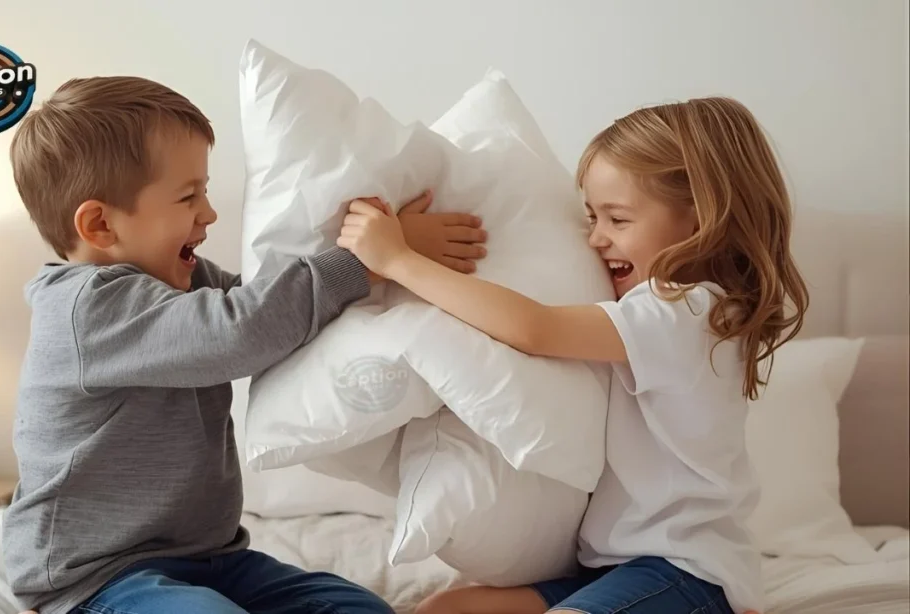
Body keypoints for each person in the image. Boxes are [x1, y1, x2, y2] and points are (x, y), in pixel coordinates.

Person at [2, 75, 487, 614]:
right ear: (99, 224)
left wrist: (386, 256)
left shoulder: (184, 280)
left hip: (214, 557)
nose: (208, 213)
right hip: (99, 578)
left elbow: (272, 305)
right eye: (189, 197)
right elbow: (241, 329)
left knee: (358, 609)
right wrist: (365, 260)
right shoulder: (85, 310)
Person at [337, 96, 808, 614]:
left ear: (702, 217)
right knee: (445, 609)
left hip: (685, 572)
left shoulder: (687, 309)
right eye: (591, 216)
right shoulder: (662, 312)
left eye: (618, 219)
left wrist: (398, 259)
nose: (595, 238)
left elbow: (534, 327)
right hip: (605, 567)